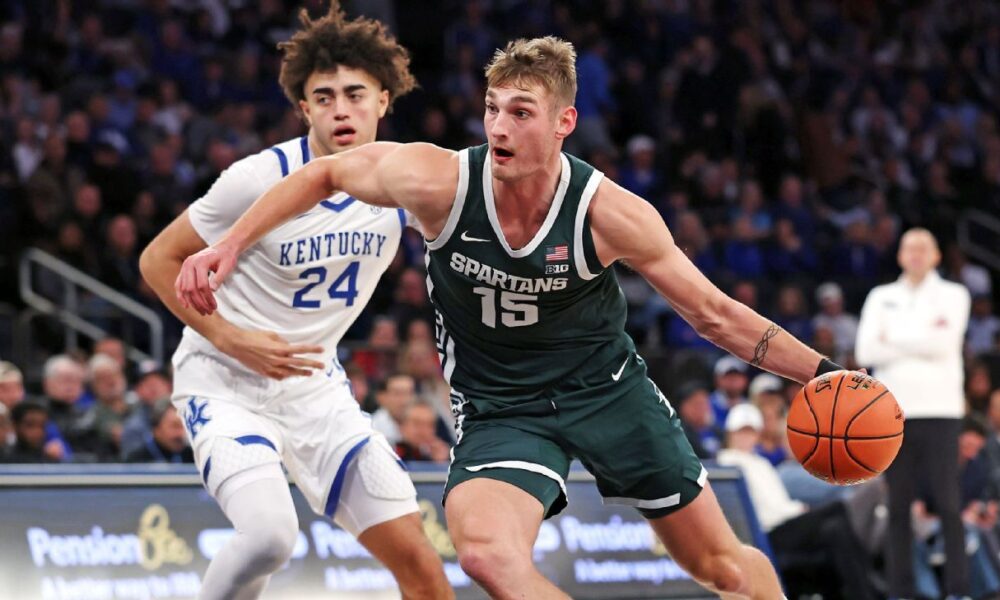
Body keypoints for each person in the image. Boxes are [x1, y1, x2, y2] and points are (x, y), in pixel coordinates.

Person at [178, 36, 850, 599]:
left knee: (720, 567)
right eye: (492, 108)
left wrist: (824, 373)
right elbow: (323, 175)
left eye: (521, 112)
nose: (498, 127)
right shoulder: (439, 181)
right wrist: (229, 245)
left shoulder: (609, 212)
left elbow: (715, 315)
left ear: (564, 122)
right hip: (502, 407)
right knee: (484, 556)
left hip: (608, 392)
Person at [141, 4, 450, 599]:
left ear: (383, 101)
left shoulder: (405, 180)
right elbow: (157, 259)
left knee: (421, 562)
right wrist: (232, 339)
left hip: (314, 389)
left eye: (355, 94)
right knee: (269, 538)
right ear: (304, 109)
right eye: (324, 97)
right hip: (224, 380)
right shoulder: (257, 178)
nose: (341, 109)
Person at [856, 227, 972, 600]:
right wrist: (921, 339)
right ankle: (900, 592)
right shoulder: (880, 296)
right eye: (910, 247)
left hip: (941, 410)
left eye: (924, 247)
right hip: (893, 412)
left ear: (936, 255)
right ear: (900, 255)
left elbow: (945, 344)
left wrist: (893, 338)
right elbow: (866, 350)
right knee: (897, 507)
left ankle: (958, 591)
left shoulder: (954, 294)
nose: (916, 253)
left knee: (949, 503)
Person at [717, 404, 877, 600]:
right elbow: (768, 510)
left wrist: (795, 510)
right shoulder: (728, 462)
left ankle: (861, 594)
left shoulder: (760, 463)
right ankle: (870, 591)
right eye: (740, 431)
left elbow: (778, 502)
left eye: (749, 432)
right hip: (770, 531)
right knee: (838, 509)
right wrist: (796, 510)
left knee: (835, 529)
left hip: (783, 522)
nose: (745, 437)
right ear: (730, 434)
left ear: (757, 435)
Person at [124, 401, 194, 464]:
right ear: (156, 428)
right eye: (175, 426)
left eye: (185, 426)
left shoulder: (193, 456)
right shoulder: (135, 461)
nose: (182, 433)